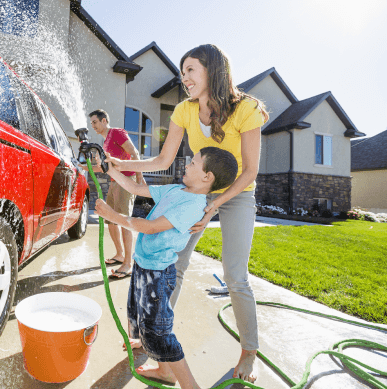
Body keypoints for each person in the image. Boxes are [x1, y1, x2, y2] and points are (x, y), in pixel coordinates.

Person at [105, 44, 269, 383]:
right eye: (183, 71)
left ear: (212, 71)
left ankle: (249, 351)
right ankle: (158, 336)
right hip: (197, 193)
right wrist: (124, 164)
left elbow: (250, 171)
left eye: (191, 70)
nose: (185, 77)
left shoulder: (247, 109)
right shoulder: (184, 110)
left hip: (237, 193)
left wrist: (214, 207)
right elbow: (163, 161)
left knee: (235, 273)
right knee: (173, 264)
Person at [95, 147, 238, 388]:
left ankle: (187, 383)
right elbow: (135, 188)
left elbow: (151, 227)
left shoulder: (193, 206)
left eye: (193, 163)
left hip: (158, 275)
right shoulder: (175, 189)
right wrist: (110, 169)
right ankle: (162, 368)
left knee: (159, 333)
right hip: (144, 265)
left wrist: (114, 216)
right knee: (142, 318)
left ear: (207, 177)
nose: (187, 165)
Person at [82, 109, 144, 279]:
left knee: (124, 221)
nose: (93, 126)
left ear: (104, 120)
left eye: (94, 122)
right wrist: (82, 167)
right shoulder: (105, 142)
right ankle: (119, 254)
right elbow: (103, 168)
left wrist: (140, 178)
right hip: (115, 182)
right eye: (92, 123)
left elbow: (134, 152)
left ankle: (128, 264)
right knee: (110, 219)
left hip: (127, 181)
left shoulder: (117, 133)